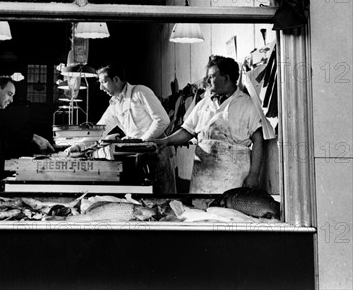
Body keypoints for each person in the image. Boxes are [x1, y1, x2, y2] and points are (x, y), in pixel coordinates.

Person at [155, 55, 264, 194]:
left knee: (228, 214)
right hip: (202, 178)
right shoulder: (204, 104)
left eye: (212, 76)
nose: (207, 80)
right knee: (200, 213)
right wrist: (167, 140)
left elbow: (258, 140)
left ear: (226, 77)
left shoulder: (247, 104)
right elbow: (187, 131)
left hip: (232, 178)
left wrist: (254, 174)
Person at [66, 64, 175, 193]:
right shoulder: (114, 104)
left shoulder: (140, 92)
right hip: (138, 154)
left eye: (104, 82)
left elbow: (162, 120)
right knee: (145, 201)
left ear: (116, 79)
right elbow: (100, 130)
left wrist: (141, 143)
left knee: (164, 197)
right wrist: (79, 146)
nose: (101, 88)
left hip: (157, 152)